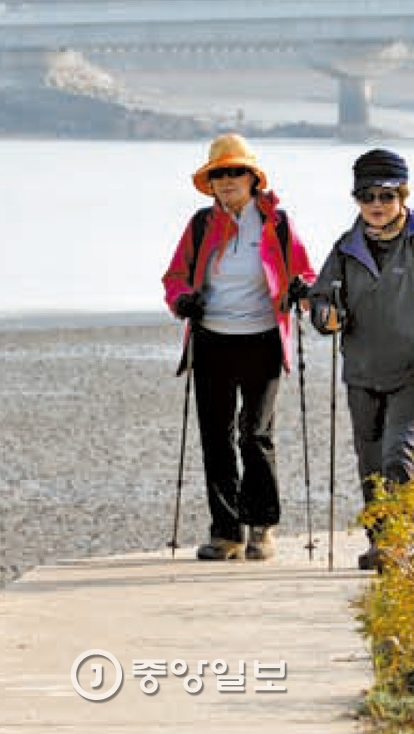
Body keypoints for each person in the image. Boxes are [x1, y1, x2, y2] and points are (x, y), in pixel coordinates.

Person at [309, 149, 414, 571]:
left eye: (385, 195)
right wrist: (325, 317)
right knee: (369, 461)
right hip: (361, 370)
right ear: (357, 200)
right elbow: (322, 300)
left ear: (402, 196)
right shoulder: (345, 248)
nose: (377, 205)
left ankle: (398, 543)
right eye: (367, 196)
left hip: (413, 369)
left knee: (397, 454)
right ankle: (380, 540)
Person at [161, 133, 316, 562]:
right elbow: (174, 277)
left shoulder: (277, 224)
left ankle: (262, 527)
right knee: (215, 437)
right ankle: (226, 532)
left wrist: (304, 292)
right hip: (211, 341)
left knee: (255, 434)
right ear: (210, 183)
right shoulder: (200, 225)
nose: (227, 180)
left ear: (253, 178)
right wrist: (182, 301)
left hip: (263, 340)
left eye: (235, 172)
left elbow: (306, 274)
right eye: (218, 174)